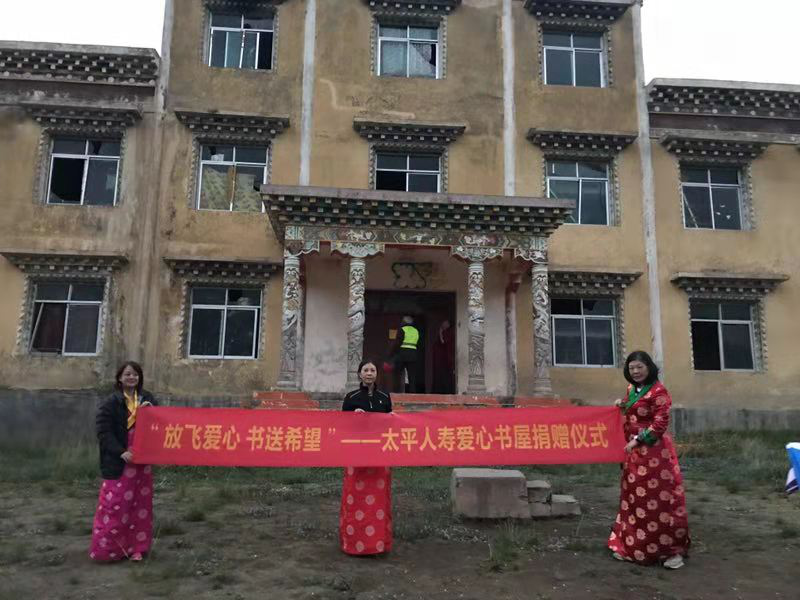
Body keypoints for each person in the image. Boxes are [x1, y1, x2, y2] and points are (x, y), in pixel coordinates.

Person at [608, 351, 690, 569]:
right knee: (635, 499)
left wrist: (638, 440)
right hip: (633, 455)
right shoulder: (632, 389)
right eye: (631, 368)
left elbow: (660, 423)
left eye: (639, 367)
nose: (635, 372)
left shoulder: (659, 391)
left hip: (655, 454)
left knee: (660, 500)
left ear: (649, 367)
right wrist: (622, 404)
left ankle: (671, 551)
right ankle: (635, 547)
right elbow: (633, 409)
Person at [89, 361, 157, 562]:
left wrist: (151, 411)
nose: (131, 377)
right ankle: (109, 550)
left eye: (135, 374)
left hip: (142, 463)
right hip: (119, 463)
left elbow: (160, 423)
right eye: (127, 374)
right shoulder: (112, 402)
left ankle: (138, 548)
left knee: (140, 506)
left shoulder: (147, 399)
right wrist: (121, 452)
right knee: (116, 505)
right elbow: (104, 431)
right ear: (119, 378)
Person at [340, 360, 393, 555]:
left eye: (372, 370)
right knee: (355, 498)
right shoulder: (351, 397)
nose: (369, 373)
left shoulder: (384, 397)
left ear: (376, 374)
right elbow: (342, 424)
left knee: (379, 500)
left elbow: (389, 425)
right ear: (359, 374)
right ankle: (353, 542)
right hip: (357, 453)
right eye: (366, 370)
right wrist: (353, 415)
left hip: (380, 454)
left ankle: (378, 543)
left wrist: (392, 417)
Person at [392, 315, 420, 393]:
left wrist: (392, 354)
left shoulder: (402, 329)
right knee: (412, 375)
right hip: (413, 354)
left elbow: (397, 343)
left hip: (402, 354)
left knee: (398, 374)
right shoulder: (416, 331)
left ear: (404, 322)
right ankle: (412, 392)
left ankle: (397, 391)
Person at [432, 319, 455, 394]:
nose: (443, 325)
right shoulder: (445, 332)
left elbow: (443, 342)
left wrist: (440, 331)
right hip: (440, 360)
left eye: (445, 324)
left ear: (448, 325)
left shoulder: (449, 332)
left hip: (447, 359)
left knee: (446, 377)